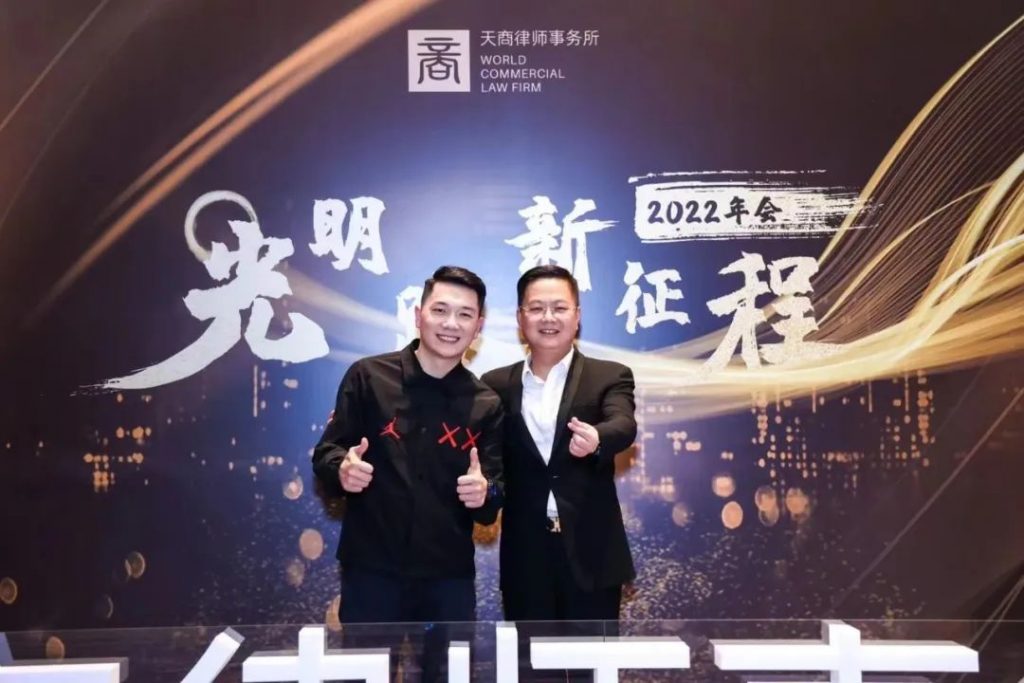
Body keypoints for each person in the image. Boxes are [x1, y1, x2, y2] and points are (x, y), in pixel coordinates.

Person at [312, 265, 503, 681]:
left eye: (465, 314)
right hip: (372, 570)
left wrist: (484, 493)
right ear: (419, 315)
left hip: (448, 578)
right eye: (440, 310)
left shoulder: (487, 403)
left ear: (478, 327)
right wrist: (341, 470)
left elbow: (493, 494)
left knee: (449, 677)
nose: (451, 324)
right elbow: (327, 452)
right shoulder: (368, 377)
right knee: (362, 677)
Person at [482, 264, 637, 623]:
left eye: (560, 308)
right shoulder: (494, 385)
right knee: (529, 657)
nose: (548, 317)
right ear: (520, 317)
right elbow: (487, 459)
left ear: (577, 316)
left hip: (593, 553)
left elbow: (623, 423)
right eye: (536, 308)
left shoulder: (609, 375)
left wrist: (598, 438)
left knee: (593, 657)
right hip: (525, 555)